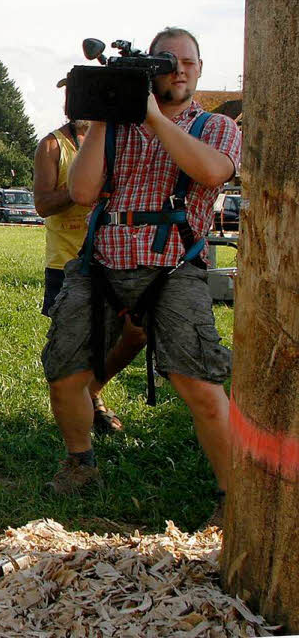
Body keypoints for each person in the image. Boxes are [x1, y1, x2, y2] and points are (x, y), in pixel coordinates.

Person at [42, 28, 240, 526]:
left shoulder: (213, 126)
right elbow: (83, 192)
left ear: (199, 67)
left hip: (173, 264)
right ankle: (80, 464)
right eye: (166, 62)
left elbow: (213, 173)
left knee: (199, 382)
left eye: (188, 62)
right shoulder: (115, 130)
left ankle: (232, 496)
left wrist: (150, 114)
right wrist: (111, 115)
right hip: (102, 260)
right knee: (65, 372)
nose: (179, 69)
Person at [34, 119, 147, 433]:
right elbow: (42, 205)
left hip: (118, 257)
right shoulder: (53, 145)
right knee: (78, 347)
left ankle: (92, 390)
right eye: (74, 93)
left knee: (136, 333)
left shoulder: (124, 137)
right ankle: (85, 413)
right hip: (67, 262)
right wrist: (81, 187)